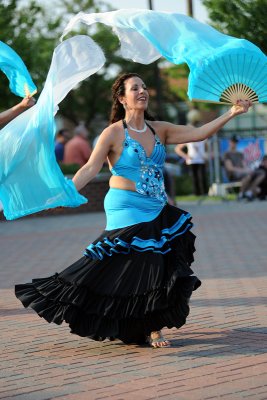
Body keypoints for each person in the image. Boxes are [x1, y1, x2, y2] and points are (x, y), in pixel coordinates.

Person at [15, 73, 251, 348]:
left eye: (144, 86)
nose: (142, 91)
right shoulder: (113, 132)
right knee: (135, 260)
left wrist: (232, 112)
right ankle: (72, 297)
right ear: (121, 98)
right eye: (134, 88)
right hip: (124, 205)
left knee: (158, 266)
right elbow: (91, 168)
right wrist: (67, 192)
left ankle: (150, 325)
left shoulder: (158, 129)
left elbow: (198, 134)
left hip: (156, 205)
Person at [175, 109, 208, 196]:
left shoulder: (202, 133)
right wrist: (186, 156)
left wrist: (206, 154)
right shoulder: (188, 136)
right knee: (195, 178)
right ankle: (197, 194)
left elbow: (206, 146)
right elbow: (178, 149)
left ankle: (205, 193)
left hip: (201, 159)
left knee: (202, 177)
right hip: (192, 160)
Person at [223, 135, 256, 200]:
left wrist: (247, 170)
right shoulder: (227, 154)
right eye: (233, 142)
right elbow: (230, 168)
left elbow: (244, 165)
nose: (234, 143)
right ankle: (244, 193)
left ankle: (245, 193)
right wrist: (243, 170)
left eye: (236, 142)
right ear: (229, 142)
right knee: (248, 175)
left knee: (253, 174)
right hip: (232, 174)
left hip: (242, 174)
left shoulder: (240, 154)